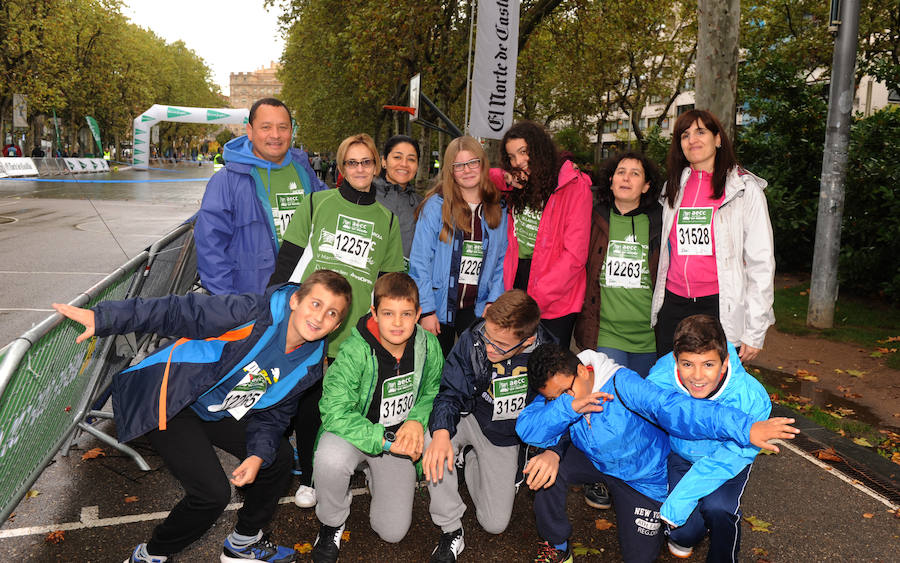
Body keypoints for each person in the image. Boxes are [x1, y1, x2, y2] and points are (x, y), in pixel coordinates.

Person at [51, 270, 353, 563]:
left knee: (279, 458)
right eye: (316, 304)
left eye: (332, 313)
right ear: (295, 301)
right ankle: (151, 554)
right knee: (212, 494)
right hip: (173, 398)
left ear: (337, 324)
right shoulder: (251, 312)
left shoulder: (311, 363)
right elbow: (179, 311)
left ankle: (242, 543)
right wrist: (104, 318)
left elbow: (275, 415)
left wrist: (257, 456)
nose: (320, 317)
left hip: (219, 408)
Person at [516, 343, 798, 563]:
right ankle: (558, 546)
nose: (563, 401)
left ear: (581, 371)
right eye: (553, 398)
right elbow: (528, 429)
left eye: (567, 392)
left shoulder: (622, 384)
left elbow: (678, 409)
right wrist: (564, 418)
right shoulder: (561, 392)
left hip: (643, 479)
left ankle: (671, 527)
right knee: (542, 468)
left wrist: (745, 428)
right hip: (596, 461)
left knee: (642, 556)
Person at [269, 133, 405, 508]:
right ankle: (298, 473)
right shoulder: (316, 203)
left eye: (366, 162)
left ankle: (330, 472)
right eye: (351, 162)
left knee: (340, 404)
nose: (359, 169)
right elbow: (288, 258)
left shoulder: (387, 220)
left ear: (376, 166)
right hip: (310, 324)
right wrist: (274, 310)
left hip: (355, 330)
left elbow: (390, 281)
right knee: (301, 401)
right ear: (341, 167)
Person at [310, 273, 443, 562]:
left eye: (406, 314)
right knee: (329, 459)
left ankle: (375, 475)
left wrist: (416, 420)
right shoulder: (354, 350)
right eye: (388, 313)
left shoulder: (428, 346)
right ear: (374, 313)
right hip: (357, 434)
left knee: (392, 532)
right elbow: (334, 411)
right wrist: (382, 440)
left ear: (418, 314)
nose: (397, 323)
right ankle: (332, 521)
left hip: (399, 437)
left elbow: (434, 389)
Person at [422, 289, 557, 563]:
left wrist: (554, 451)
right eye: (488, 337)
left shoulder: (549, 355)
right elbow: (449, 393)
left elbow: (560, 407)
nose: (488, 347)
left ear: (527, 340)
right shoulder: (474, 339)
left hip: (504, 433)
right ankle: (450, 528)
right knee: (433, 440)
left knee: (494, 524)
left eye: (499, 344)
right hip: (469, 415)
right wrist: (440, 434)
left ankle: (472, 459)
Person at [572, 151, 663, 513]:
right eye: (620, 172)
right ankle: (601, 477)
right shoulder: (596, 217)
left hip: (649, 336)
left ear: (647, 185)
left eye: (635, 173)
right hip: (605, 331)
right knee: (607, 407)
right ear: (610, 181)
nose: (626, 178)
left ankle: (637, 477)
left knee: (643, 411)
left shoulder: (659, 220)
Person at [651, 109, 775, 361]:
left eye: (700, 131)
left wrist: (755, 331)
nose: (692, 140)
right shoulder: (673, 187)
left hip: (718, 306)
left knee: (711, 387)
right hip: (673, 305)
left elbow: (761, 263)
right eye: (684, 135)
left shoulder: (744, 190)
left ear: (718, 139)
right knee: (671, 385)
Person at [647, 315, 771, 561]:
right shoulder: (659, 379)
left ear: (725, 363)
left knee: (719, 508)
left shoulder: (752, 398)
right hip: (681, 454)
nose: (697, 376)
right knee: (682, 532)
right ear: (675, 360)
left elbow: (736, 453)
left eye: (708, 364)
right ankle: (690, 530)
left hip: (726, 458)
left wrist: (683, 498)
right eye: (687, 364)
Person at [194, 97, 327, 296]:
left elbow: (330, 212)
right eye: (266, 127)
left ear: (292, 131)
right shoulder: (226, 181)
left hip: (306, 294)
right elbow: (210, 249)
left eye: (283, 127)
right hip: (253, 300)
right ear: (250, 131)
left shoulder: (304, 170)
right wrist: (230, 305)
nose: (275, 135)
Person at [491, 120, 592, 348]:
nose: (518, 162)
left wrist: (536, 299)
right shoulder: (519, 183)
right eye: (511, 157)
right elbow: (483, 176)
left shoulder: (573, 186)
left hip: (556, 296)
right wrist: (506, 177)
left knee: (547, 373)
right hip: (518, 284)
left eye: (523, 152)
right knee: (516, 369)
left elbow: (574, 256)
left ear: (539, 149)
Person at [410, 135, 507, 357]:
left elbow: (501, 260)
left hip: (479, 309)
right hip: (438, 308)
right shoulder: (435, 207)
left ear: (482, 164)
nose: (467, 170)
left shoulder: (498, 208)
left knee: (473, 371)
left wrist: (494, 300)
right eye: (459, 165)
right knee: (435, 374)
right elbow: (419, 262)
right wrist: (426, 310)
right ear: (450, 170)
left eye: (473, 162)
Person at [372, 135, 424, 263]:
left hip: (402, 280)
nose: (404, 164)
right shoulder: (366, 194)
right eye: (397, 157)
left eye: (411, 159)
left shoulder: (422, 205)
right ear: (384, 161)